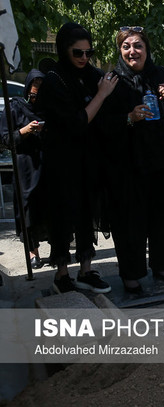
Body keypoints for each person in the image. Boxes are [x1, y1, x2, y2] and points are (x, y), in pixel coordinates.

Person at [98, 27, 164, 294]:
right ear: (119, 50)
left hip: (162, 161)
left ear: (147, 49)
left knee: (162, 217)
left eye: (137, 45)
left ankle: (162, 266)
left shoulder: (160, 74)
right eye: (126, 46)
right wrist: (129, 118)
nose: (132, 51)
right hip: (127, 167)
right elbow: (102, 124)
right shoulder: (113, 81)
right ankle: (132, 275)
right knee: (130, 222)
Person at [36, 23, 118, 294]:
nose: (84, 58)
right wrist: (102, 94)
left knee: (86, 211)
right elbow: (77, 122)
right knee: (62, 214)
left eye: (88, 52)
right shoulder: (54, 80)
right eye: (77, 53)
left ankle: (86, 269)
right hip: (61, 161)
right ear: (64, 50)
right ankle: (62, 274)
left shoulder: (92, 74)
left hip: (89, 159)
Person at [0, 69, 47, 269]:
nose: (36, 99)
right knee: (27, 209)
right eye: (34, 94)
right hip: (26, 167)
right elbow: (5, 138)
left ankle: (57, 251)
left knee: (49, 207)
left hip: (47, 164)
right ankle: (32, 251)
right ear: (27, 90)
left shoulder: (50, 108)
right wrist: (25, 130)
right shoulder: (15, 108)